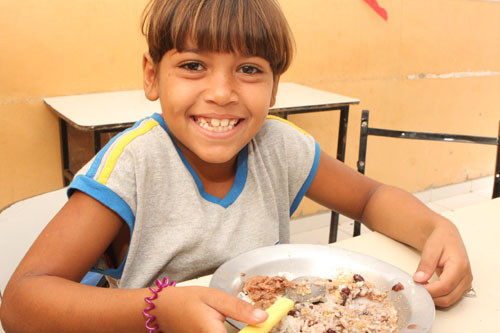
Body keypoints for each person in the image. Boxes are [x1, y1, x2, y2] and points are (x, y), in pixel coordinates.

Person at [0, 0, 472, 332]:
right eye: (192, 65)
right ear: (151, 75)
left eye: (248, 69)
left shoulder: (278, 146)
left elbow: (369, 198)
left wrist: (434, 229)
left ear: (274, 86)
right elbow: (22, 303)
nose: (222, 92)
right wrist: (158, 308)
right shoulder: (135, 164)